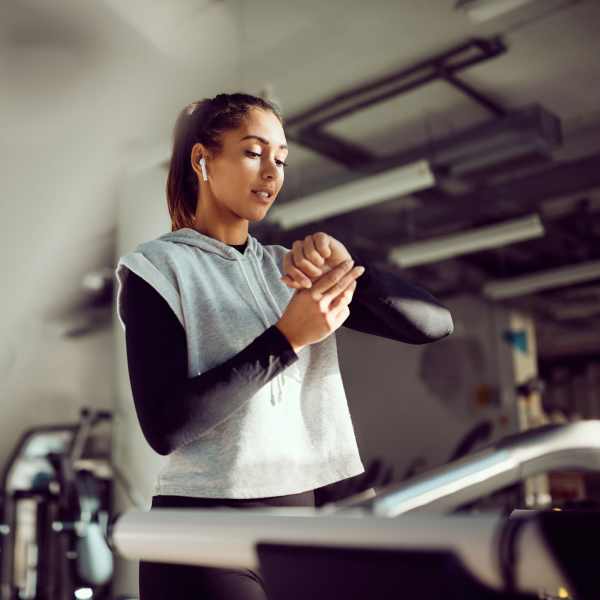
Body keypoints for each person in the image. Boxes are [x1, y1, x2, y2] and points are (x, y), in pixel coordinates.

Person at [115, 92, 454, 600]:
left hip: (310, 526)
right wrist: (287, 339)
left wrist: (348, 267)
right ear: (202, 158)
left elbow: (434, 324)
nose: (272, 172)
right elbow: (166, 426)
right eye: (253, 152)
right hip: (204, 535)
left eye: (281, 158)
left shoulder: (288, 269)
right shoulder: (156, 270)